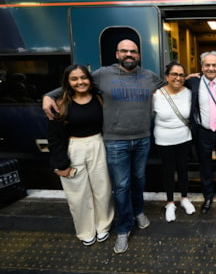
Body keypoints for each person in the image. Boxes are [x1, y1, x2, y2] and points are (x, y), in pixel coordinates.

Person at [42, 39, 165, 254]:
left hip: (143, 139)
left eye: (133, 52)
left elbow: (171, 84)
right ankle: (124, 228)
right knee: (121, 186)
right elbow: (75, 83)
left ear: (138, 55)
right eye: (124, 51)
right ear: (117, 54)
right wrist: (48, 96)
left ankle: (138, 212)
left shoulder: (149, 77)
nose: (129, 54)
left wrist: (194, 78)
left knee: (138, 180)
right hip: (115, 141)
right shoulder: (102, 75)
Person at [47, 64, 114, 246]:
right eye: (74, 79)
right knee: (77, 194)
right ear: (67, 82)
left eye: (83, 78)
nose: (80, 82)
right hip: (73, 147)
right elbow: (53, 138)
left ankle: (103, 226)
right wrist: (61, 164)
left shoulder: (99, 99)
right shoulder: (60, 104)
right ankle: (85, 231)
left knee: (103, 190)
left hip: (98, 144)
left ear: (89, 79)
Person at [185, 51, 216, 214]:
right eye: (207, 65)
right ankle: (208, 197)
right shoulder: (193, 82)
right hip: (203, 131)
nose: (211, 68)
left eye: (214, 65)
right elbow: (174, 82)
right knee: (204, 166)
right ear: (201, 67)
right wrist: (186, 77)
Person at [153, 61, 196, 222]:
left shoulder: (189, 93)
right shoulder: (156, 94)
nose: (178, 78)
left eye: (181, 75)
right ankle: (170, 203)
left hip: (184, 138)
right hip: (164, 140)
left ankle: (184, 199)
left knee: (183, 169)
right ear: (167, 76)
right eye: (174, 74)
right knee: (168, 171)